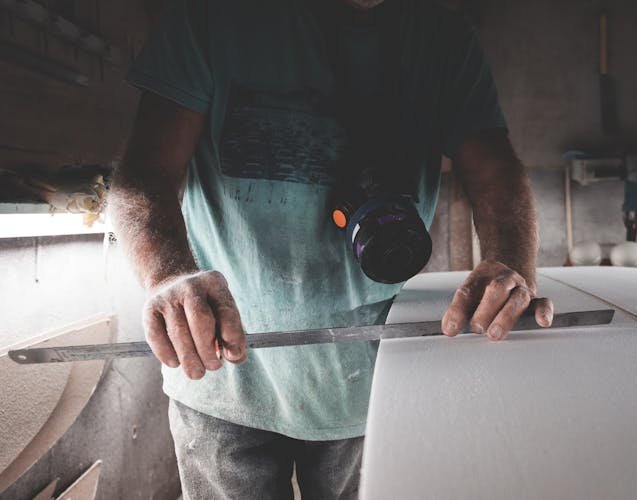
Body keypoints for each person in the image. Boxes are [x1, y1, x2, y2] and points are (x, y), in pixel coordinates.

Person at [110, 0, 554, 498]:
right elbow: (143, 175)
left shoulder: (441, 36)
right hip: (221, 378)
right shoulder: (211, 17)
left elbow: (496, 170)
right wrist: (167, 275)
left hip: (373, 384)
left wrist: (511, 265)